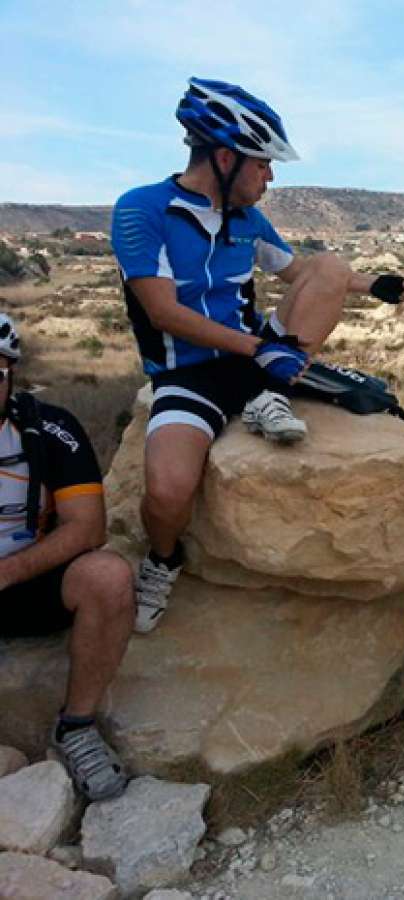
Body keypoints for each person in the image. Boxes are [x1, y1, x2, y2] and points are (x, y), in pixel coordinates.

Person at [111, 77, 404, 634]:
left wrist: (375, 285)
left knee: (330, 265)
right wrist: (262, 347)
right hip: (188, 374)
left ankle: (268, 396)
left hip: (255, 363)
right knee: (166, 491)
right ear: (225, 158)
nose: (269, 177)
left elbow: (305, 274)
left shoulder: (248, 219)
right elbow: (163, 313)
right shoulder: (143, 209)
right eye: (263, 164)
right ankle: (163, 561)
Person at [0, 312, 134, 801]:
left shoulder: (49, 429)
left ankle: (76, 727)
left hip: (26, 581)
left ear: (11, 375)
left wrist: (8, 572)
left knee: (109, 577)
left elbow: (88, 527)